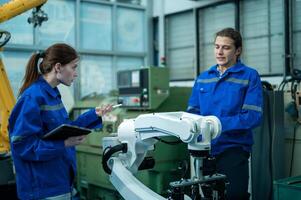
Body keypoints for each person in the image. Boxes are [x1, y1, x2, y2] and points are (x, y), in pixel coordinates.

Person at [8, 43, 112, 200]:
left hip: (60, 182)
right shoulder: (32, 98)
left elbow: (64, 129)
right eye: (73, 67)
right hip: (42, 190)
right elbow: (23, 146)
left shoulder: (52, 94)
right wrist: (63, 144)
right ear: (58, 67)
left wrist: (94, 115)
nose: (75, 74)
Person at [187, 28, 263, 199]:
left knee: (234, 196)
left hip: (233, 149)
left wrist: (215, 125)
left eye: (226, 48)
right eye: (216, 47)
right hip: (203, 150)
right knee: (201, 195)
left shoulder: (249, 76)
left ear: (238, 50)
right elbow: (192, 112)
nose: (219, 52)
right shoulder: (203, 77)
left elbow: (252, 116)